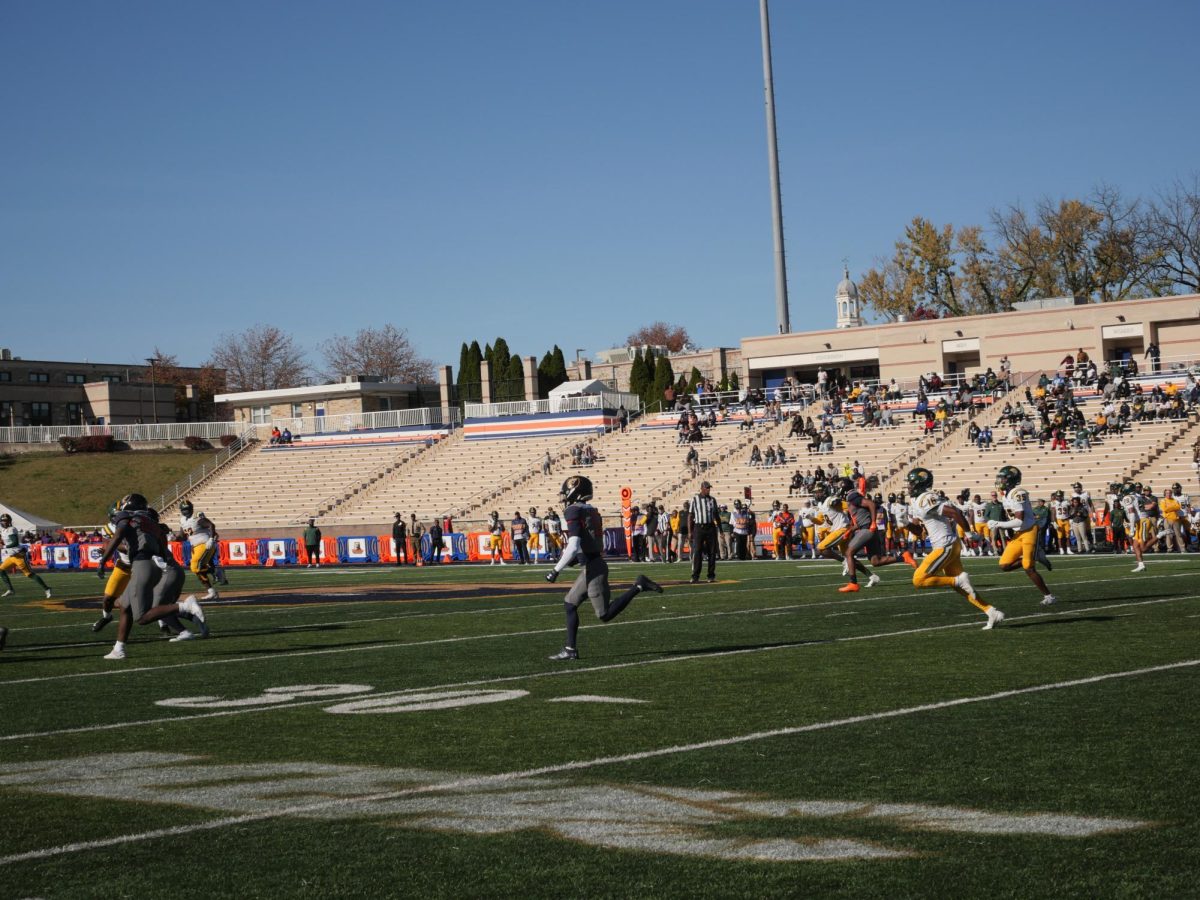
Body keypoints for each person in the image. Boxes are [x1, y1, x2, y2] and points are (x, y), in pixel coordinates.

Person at [546, 475, 662, 660]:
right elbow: (589, 542)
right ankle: (570, 649)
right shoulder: (591, 510)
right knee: (569, 604)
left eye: (566, 492)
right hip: (591, 564)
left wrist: (555, 570)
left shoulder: (574, 510)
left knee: (604, 614)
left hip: (594, 568)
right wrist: (577, 559)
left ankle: (638, 586)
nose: (564, 497)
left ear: (575, 491)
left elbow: (574, 544)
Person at [94, 494, 207, 660]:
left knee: (142, 617)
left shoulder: (126, 516)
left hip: (142, 563)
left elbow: (118, 535)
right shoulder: (151, 522)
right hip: (153, 563)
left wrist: (103, 561)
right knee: (125, 606)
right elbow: (160, 546)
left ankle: (184, 607)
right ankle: (119, 649)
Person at [900, 468, 1004, 629]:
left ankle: (959, 580)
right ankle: (991, 611)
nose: (909, 486)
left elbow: (954, 513)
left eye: (912, 483)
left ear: (921, 484)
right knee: (960, 587)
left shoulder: (926, 498)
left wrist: (968, 533)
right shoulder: (917, 500)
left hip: (945, 546)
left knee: (919, 580)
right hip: (947, 545)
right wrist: (905, 523)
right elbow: (919, 531)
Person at [988, 466, 1058, 606]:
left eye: (1003, 478)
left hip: (1029, 531)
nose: (1000, 480)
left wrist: (998, 524)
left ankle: (1049, 596)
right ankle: (1035, 556)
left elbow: (1019, 520)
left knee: (1028, 567)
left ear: (1010, 479)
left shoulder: (1019, 493)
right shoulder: (1006, 493)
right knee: (1004, 565)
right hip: (1018, 533)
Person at [839, 480, 903, 592]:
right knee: (875, 561)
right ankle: (904, 557)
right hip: (868, 529)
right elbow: (859, 520)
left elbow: (871, 504)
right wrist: (849, 531)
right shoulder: (853, 498)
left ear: (844, 488)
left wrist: (873, 522)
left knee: (849, 553)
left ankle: (853, 583)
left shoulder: (852, 496)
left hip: (867, 529)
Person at [0, 514, 52, 600]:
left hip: (19, 556)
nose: (4, 522)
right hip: (11, 557)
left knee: (30, 574)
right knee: (1, 570)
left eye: (6, 521)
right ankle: (10, 589)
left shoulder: (11, 529)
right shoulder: (3, 530)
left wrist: (4, 547)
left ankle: (47, 588)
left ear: (9, 522)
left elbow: (15, 542)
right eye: (3, 521)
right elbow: (4, 540)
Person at [177, 501, 219, 599]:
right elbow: (183, 537)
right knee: (198, 569)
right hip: (195, 547)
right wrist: (173, 538)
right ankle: (212, 591)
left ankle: (216, 571)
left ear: (191, 508)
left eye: (187, 509)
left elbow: (211, 525)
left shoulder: (196, 517)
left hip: (204, 544)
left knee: (195, 566)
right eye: (183, 510)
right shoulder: (183, 521)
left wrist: (211, 539)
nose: (185, 511)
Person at [688, 481, 720, 583]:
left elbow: (716, 515)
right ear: (701, 488)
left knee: (712, 552)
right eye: (706, 488)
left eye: (709, 488)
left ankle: (711, 575)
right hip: (699, 528)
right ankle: (695, 576)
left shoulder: (712, 500)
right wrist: (690, 531)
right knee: (697, 551)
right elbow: (690, 516)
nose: (708, 490)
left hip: (711, 527)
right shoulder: (695, 499)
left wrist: (721, 529)